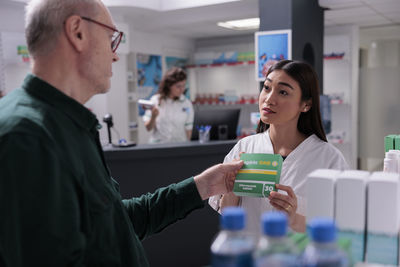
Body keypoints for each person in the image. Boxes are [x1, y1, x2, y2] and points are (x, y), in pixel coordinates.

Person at [0, 0, 244, 266]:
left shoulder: (69, 125)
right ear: (77, 32)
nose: (115, 54)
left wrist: (203, 186)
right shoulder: (26, 137)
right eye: (111, 38)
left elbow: (115, 225)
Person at [209, 60, 348, 233]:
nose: (269, 99)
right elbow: (227, 212)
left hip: (300, 258)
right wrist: (231, 189)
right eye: (266, 88)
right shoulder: (245, 147)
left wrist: (294, 219)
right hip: (249, 255)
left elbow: (341, 227)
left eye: (283, 92)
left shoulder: (329, 159)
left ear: (306, 105)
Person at [143, 67, 194, 143]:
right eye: (178, 86)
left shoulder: (186, 104)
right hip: (159, 146)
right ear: (169, 85)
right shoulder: (155, 100)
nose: (182, 89)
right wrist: (153, 117)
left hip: (179, 145)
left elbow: (188, 129)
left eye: (183, 85)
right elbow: (148, 128)